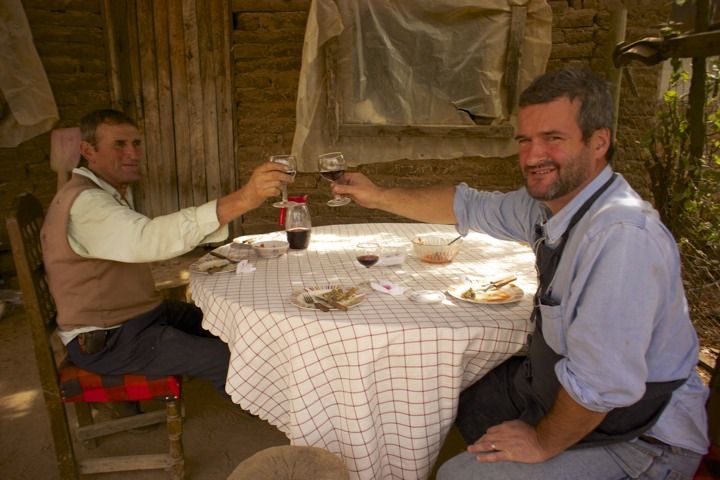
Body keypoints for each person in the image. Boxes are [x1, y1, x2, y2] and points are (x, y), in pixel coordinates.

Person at [332, 68, 709, 479]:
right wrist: (377, 196)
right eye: (525, 140)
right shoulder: (553, 206)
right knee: (454, 394)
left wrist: (541, 441)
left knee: (458, 476)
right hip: (564, 397)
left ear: (599, 142)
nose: (532, 156)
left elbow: (601, 385)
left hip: (640, 439)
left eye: (553, 138)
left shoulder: (620, 236)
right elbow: (467, 205)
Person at [41, 109, 293, 395]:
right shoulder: (87, 204)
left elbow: (152, 237)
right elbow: (148, 240)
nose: (132, 153)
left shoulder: (101, 191)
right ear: (88, 151)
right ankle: (269, 409)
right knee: (229, 360)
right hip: (110, 339)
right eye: (119, 144)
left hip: (138, 316)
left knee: (228, 323)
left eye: (136, 143)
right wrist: (244, 199)